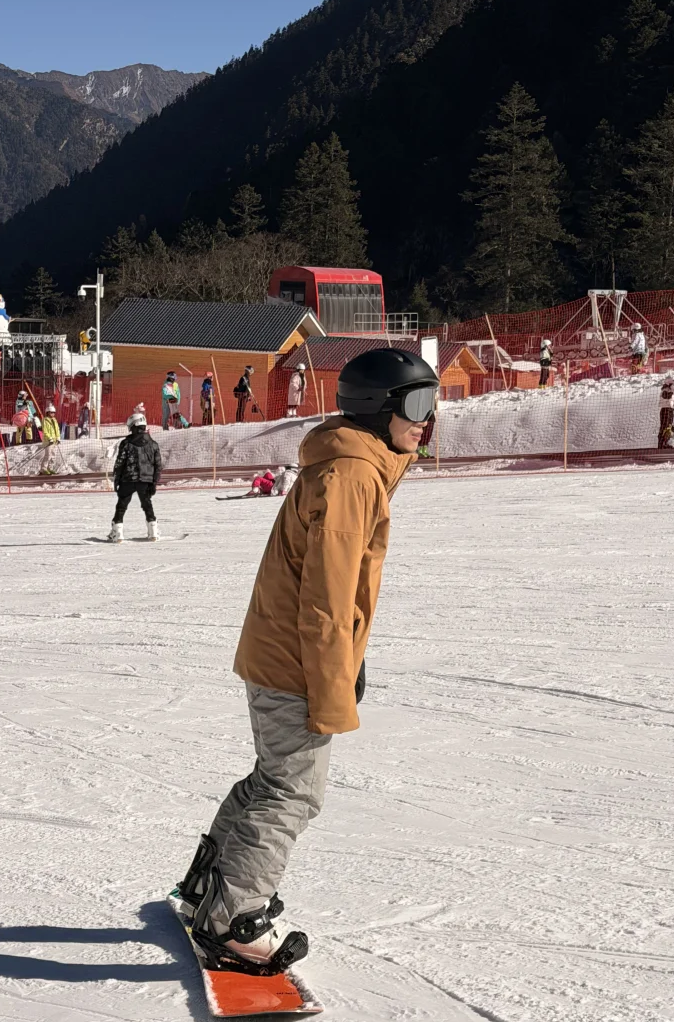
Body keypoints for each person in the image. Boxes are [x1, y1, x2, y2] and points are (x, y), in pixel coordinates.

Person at [172, 346, 438, 972]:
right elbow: (326, 593)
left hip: (278, 649)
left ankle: (208, 890)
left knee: (272, 780)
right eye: (419, 404)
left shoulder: (357, 462)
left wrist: (348, 654)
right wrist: (334, 680)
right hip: (294, 659)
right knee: (293, 793)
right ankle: (232, 921)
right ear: (379, 409)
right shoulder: (352, 474)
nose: (428, 420)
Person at [107, 410, 162, 542]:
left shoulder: (126, 443)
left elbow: (120, 462)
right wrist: (154, 482)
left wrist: (117, 479)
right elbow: (158, 465)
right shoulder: (153, 444)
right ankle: (153, 531)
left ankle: (117, 533)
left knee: (121, 505)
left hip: (128, 479)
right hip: (146, 480)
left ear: (133, 426)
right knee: (147, 504)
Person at [657, 379, 674, 450]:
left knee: (668, 427)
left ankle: (665, 443)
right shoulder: (666, 390)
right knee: (664, 427)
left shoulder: (672, 392)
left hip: (669, 410)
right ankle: (661, 444)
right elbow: (666, 396)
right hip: (665, 410)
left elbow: (670, 401)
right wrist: (671, 392)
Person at [40, 402, 62, 475]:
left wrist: (58, 437)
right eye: (51, 413)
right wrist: (50, 438)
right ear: (48, 413)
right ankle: (43, 469)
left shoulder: (54, 420)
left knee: (53, 455)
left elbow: (57, 429)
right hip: (48, 441)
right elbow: (45, 430)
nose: (53, 414)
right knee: (48, 455)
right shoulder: (45, 420)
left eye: (54, 413)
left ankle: (50, 468)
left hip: (55, 441)